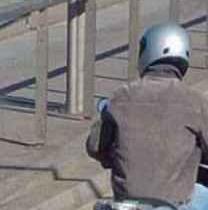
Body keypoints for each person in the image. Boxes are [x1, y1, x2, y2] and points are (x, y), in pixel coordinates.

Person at [87, 22, 208, 210]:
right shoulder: (195, 102)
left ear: (147, 52)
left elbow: (95, 147)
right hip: (175, 204)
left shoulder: (119, 97)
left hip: (125, 202)